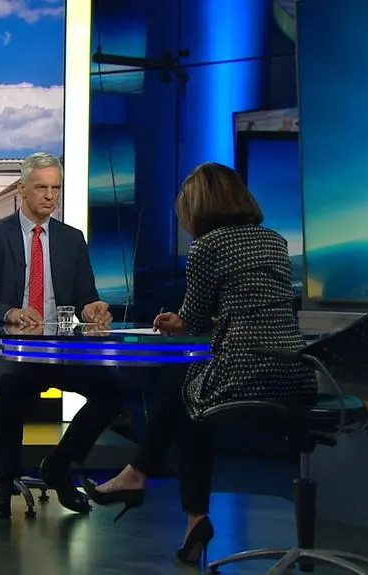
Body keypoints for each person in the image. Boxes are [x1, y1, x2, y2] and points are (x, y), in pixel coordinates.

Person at [86, 162, 318, 566]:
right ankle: (178, 508)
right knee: (188, 385)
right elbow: (252, 307)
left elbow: (191, 320)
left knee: (186, 390)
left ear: (199, 206)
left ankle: (147, 480)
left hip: (246, 372)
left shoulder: (207, 247)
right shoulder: (275, 241)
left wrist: (177, 323)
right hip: (296, 372)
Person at [0, 152, 122, 518]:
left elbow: (85, 297)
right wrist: (10, 313)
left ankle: (60, 465)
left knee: (112, 387)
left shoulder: (71, 239)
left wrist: (93, 309)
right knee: (11, 381)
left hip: (57, 349)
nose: (50, 196)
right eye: (42, 188)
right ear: (22, 189)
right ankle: (4, 481)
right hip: (4, 346)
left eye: (56, 189)